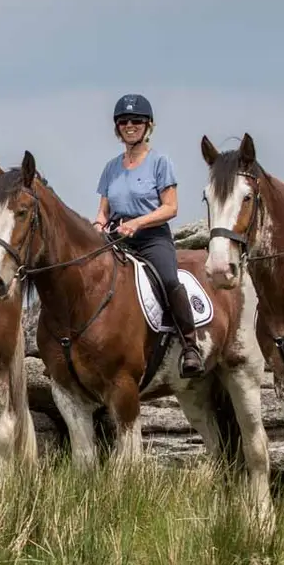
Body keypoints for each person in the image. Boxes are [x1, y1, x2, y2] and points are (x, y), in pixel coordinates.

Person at [94, 94, 203, 377]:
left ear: (148, 125)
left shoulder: (160, 162)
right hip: (118, 238)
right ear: (117, 127)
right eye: (124, 121)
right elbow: (103, 212)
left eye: (136, 121)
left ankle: (190, 346)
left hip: (152, 238)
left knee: (169, 279)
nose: (130, 125)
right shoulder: (111, 168)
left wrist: (139, 223)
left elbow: (171, 207)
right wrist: (97, 226)